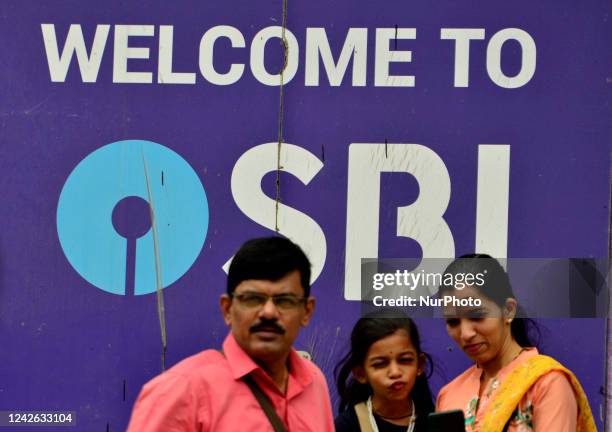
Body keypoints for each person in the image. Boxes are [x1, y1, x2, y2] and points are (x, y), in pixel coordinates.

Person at [126, 237, 335, 431]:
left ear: (307, 311)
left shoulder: (314, 383)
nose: (269, 313)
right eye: (253, 299)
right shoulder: (181, 391)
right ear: (227, 309)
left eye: (285, 300)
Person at [436, 254, 596, 432]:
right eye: (453, 322)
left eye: (477, 315)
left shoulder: (546, 384)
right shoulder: (449, 395)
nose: (465, 334)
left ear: (508, 310)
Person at [335, 310, 435, 432]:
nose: (395, 372)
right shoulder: (347, 425)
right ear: (361, 373)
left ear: (419, 365)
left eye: (405, 360)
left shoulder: (435, 423)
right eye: (380, 364)